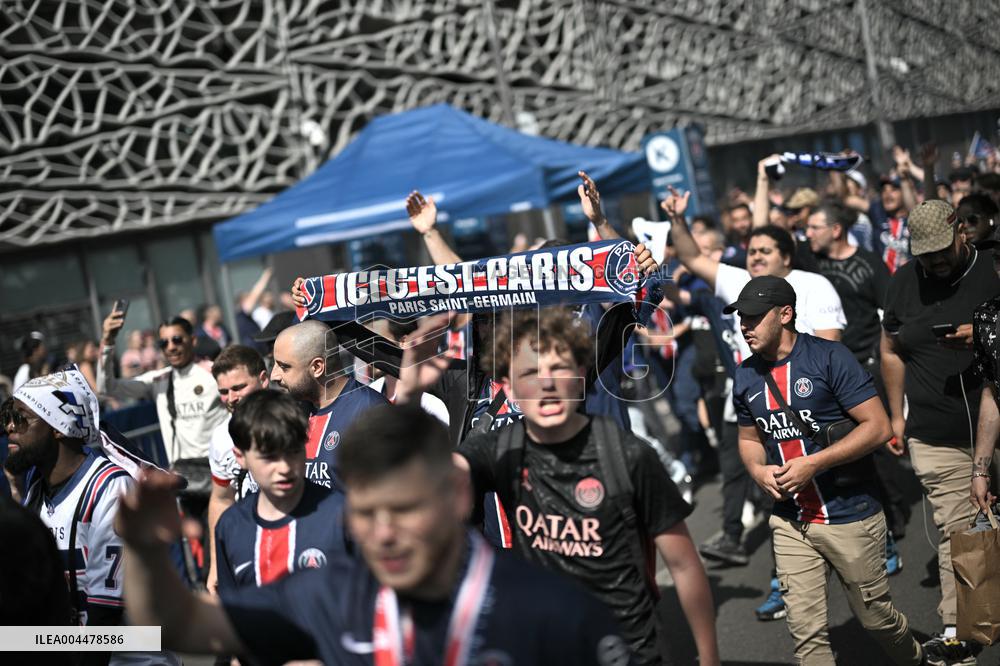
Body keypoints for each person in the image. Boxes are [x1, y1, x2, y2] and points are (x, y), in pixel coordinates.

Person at [117, 403, 633, 665]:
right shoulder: (333, 594)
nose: (382, 533)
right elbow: (179, 626)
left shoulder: (558, 613)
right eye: (365, 513)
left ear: (457, 494)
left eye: (404, 509)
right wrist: (144, 552)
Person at [400, 308, 719, 666]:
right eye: (530, 373)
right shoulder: (499, 449)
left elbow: (684, 565)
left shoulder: (629, 455)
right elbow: (423, 492)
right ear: (509, 385)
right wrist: (410, 398)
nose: (546, 384)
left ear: (581, 374)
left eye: (558, 369)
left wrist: (709, 659)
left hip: (628, 647)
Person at [731, 275, 924, 666]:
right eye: (741, 318)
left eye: (753, 317)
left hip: (850, 515)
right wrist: (757, 470)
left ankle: (918, 658)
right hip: (791, 520)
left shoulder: (830, 357)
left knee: (876, 620)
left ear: (785, 314)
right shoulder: (745, 374)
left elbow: (878, 427)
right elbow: (749, 438)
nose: (745, 326)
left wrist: (814, 463)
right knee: (806, 634)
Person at [663, 186, 845, 580]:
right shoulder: (740, 282)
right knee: (759, 482)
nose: (756, 256)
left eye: (765, 251)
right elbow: (692, 257)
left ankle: (869, 546)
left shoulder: (815, 285)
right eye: (752, 251)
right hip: (753, 404)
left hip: (810, 406)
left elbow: (831, 351)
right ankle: (785, 575)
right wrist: (677, 220)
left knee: (834, 488)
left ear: (786, 256)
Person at [881, 199, 1000, 662]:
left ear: (962, 234)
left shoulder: (992, 267)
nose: (934, 262)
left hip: (994, 418)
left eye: (941, 251)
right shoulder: (903, 283)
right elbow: (890, 349)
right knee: (959, 530)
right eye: (924, 254)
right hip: (936, 433)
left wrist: (985, 333)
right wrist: (896, 415)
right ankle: (957, 632)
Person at [4, 367, 133, 665]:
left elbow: (106, 618)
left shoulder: (111, 488)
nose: (10, 427)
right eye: (8, 418)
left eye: (21, 418)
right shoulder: (36, 488)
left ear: (59, 427)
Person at [214, 390, 350, 592]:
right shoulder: (230, 526)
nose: (285, 468)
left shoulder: (341, 515)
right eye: (269, 457)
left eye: (293, 452)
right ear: (240, 457)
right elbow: (232, 605)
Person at [269, 320, 388, 489]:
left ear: (317, 367)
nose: (274, 376)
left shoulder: (370, 412)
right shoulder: (295, 409)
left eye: (284, 367)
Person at [98, 312, 227, 467]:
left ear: (193, 340)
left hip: (221, 470)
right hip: (184, 474)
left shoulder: (215, 373)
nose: (171, 347)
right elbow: (106, 387)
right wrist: (107, 341)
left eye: (177, 340)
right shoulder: (159, 379)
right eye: (163, 343)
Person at [205, 344, 270, 594]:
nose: (231, 398)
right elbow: (221, 499)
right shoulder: (221, 437)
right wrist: (216, 564)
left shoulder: (296, 417)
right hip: (251, 550)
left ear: (263, 379)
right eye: (224, 391)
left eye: (239, 387)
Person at [366, 317, 449, 425]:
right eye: (367, 344)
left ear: (404, 342)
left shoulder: (430, 402)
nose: (369, 350)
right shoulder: (369, 392)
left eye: (377, 341)